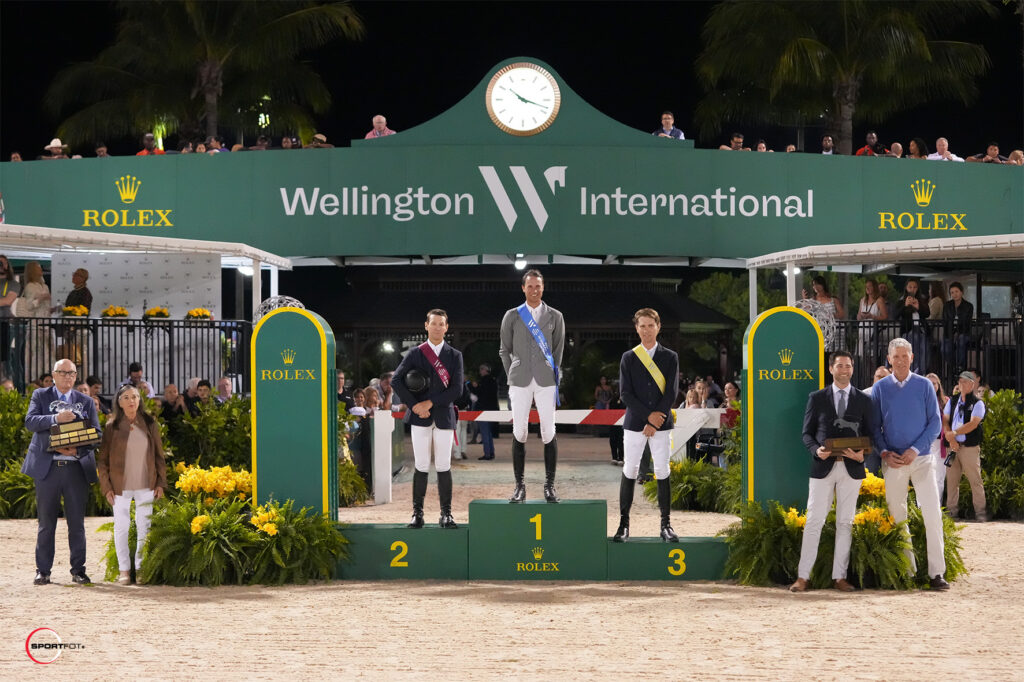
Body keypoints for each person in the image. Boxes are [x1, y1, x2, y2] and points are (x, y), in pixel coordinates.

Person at [790, 351, 874, 593]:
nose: (844, 370)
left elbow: (871, 434)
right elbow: (807, 434)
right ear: (831, 369)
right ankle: (803, 577)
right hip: (822, 468)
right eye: (840, 366)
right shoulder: (816, 398)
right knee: (814, 520)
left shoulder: (864, 399)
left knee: (845, 522)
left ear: (852, 369)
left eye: (848, 366)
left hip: (852, 468)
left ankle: (840, 577)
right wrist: (816, 451)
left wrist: (863, 455)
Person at [871, 338, 948, 590]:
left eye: (905, 356)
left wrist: (915, 450)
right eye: (896, 356)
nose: (901, 361)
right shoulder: (880, 388)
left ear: (912, 358)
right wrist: (884, 452)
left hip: (922, 458)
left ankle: (937, 573)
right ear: (889, 359)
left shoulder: (924, 385)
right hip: (893, 461)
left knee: (932, 513)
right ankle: (907, 571)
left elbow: (935, 423)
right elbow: (874, 427)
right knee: (897, 516)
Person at [22, 359, 100, 585]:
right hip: (48, 469)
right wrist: (56, 418)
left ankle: (78, 570)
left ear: (76, 376)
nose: (67, 376)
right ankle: (43, 570)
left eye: (71, 373)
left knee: (77, 524)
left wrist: (77, 449)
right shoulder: (40, 395)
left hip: (75, 468)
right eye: (63, 372)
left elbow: (97, 434)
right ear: (54, 375)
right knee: (46, 523)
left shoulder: (85, 401)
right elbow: (30, 422)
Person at [392, 309, 465, 529]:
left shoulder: (455, 355)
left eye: (441, 324)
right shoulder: (415, 353)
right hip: (419, 417)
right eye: (433, 323)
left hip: (443, 416)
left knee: (444, 465)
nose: (437, 327)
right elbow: (396, 380)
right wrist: (415, 405)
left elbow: (457, 389)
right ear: (426, 326)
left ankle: (446, 514)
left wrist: (429, 403)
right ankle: (417, 514)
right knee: (421, 465)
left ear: (446, 327)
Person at [614, 308, 680, 543]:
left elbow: (671, 391)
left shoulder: (670, 357)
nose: (646, 330)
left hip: (661, 423)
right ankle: (623, 525)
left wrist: (656, 418)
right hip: (635, 423)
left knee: (662, 470)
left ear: (658, 327)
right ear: (636, 328)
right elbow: (625, 393)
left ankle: (666, 525)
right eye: (642, 326)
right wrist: (648, 418)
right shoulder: (629, 357)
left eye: (651, 325)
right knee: (630, 469)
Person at [499, 269, 565, 503]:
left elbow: (558, 350)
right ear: (523, 288)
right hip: (520, 380)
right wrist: (513, 371)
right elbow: (504, 350)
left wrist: (552, 371)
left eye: (538, 286)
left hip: (546, 381)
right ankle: (519, 486)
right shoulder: (512, 315)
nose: (534, 290)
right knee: (519, 431)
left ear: (543, 288)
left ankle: (550, 486)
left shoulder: (555, 316)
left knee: (549, 431)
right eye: (530, 286)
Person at [96, 384, 167, 584]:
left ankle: (142, 568)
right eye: (126, 397)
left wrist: (161, 483)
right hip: (120, 486)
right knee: (121, 527)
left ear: (139, 400)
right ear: (119, 402)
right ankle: (124, 570)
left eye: (135, 397)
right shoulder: (112, 426)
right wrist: (106, 487)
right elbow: (102, 461)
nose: (131, 401)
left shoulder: (150, 423)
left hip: (146, 483)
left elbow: (159, 456)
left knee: (145, 526)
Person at [943, 371, 987, 521]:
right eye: (960, 381)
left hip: (969, 447)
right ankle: (951, 513)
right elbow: (945, 420)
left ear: (972, 384)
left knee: (975, 480)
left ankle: (980, 513)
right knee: (952, 482)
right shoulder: (952, 401)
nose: (961, 384)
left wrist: (954, 433)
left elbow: (973, 424)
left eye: (965, 381)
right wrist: (951, 439)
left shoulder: (978, 403)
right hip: (953, 446)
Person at [894, 279, 929, 373]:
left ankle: (921, 371)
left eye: (915, 287)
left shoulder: (922, 300)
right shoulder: (901, 301)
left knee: (924, 350)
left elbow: (927, 314)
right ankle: (914, 370)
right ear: (906, 288)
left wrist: (918, 308)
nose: (912, 289)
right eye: (910, 287)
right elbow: (895, 316)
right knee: (913, 346)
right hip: (908, 329)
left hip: (921, 329)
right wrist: (905, 306)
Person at [925, 373, 950, 501]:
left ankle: (937, 506)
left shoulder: (946, 401)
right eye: (929, 383)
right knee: (924, 476)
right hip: (924, 443)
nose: (932, 385)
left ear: (939, 385)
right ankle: (921, 508)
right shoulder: (920, 400)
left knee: (939, 476)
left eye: (935, 383)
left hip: (940, 443)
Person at [941, 282, 973, 376]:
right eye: (952, 292)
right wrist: (952, 332)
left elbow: (967, 322)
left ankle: (960, 367)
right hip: (949, 332)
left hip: (964, 332)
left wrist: (958, 331)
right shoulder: (947, 305)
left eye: (956, 291)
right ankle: (952, 366)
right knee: (944, 349)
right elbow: (945, 320)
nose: (954, 294)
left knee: (961, 341)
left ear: (961, 292)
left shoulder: (968, 306)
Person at [0, 254, 22, 382]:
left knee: (5, 358)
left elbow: (8, 301)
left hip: (4, 323)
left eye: (3, 263)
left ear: (8, 266)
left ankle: (8, 384)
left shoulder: (13, 284)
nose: (1, 265)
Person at [856, 279, 887, 365]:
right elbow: (858, 316)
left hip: (873, 330)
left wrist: (872, 316)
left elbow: (884, 316)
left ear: (874, 287)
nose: (867, 288)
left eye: (870, 286)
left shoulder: (879, 300)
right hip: (862, 329)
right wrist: (861, 316)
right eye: (866, 286)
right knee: (861, 354)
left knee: (872, 354)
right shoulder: (863, 300)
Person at [474, 364, 499, 460]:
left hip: (483, 409)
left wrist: (471, 386)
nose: (480, 371)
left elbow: (479, 393)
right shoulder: (493, 380)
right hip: (492, 409)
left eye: (481, 369)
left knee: (485, 432)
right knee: (489, 432)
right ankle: (491, 452)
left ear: (485, 370)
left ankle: (487, 453)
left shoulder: (484, 381)